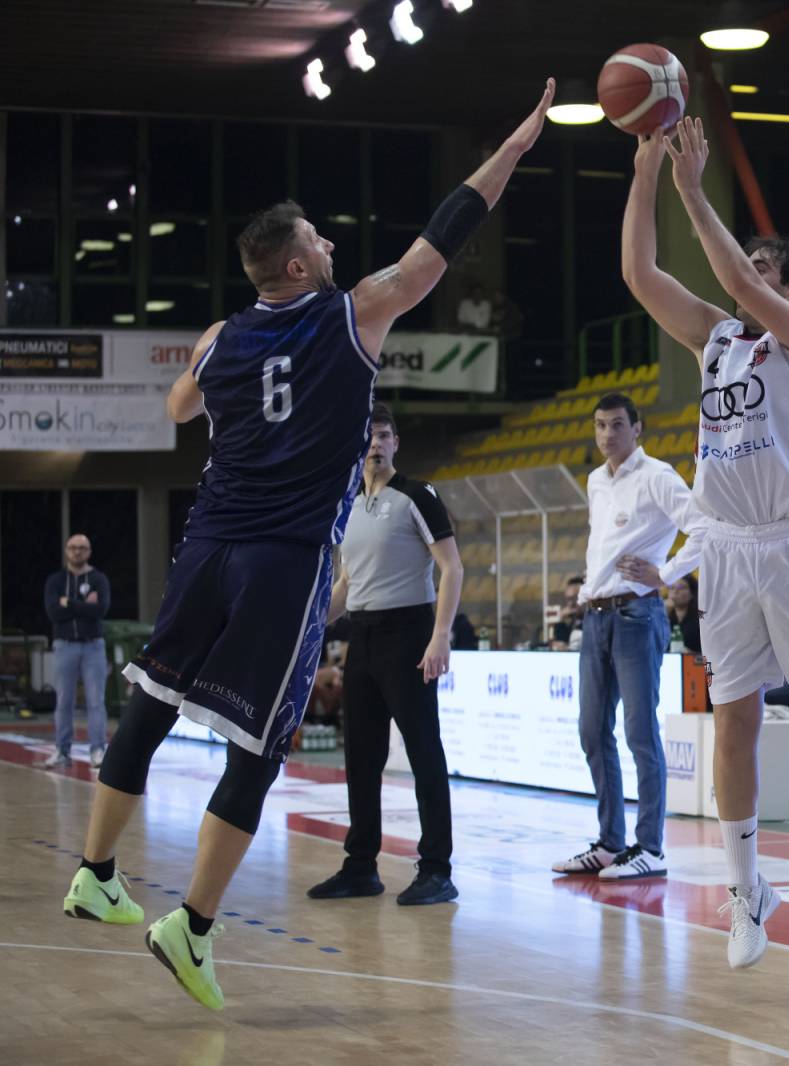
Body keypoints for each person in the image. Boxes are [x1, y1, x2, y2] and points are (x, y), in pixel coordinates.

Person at [59, 80, 559, 1012]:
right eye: (319, 241)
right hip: (282, 560)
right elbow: (444, 236)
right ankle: (192, 926)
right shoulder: (354, 312)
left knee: (154, 701)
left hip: (206, 544)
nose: (332, 246)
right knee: (260, 742)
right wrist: (518, 146)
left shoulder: (222, 337)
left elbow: (179, 407)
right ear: (295, 266)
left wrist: (222, 373)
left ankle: (95, 871)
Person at [621, 118, 789, 971]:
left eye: (764, 268)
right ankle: (746, 894)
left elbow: (728, 273)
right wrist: (646, 172)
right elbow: (640, 273)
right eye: (749, 265)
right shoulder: (717, 340)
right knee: (733, 722)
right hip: (728, 550)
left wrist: (694, 189)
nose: (743, 275)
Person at [306, 401, 464, 907]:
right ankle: (360, 866)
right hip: (363, 637)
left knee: (423, 753)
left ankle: (436, 869)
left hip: (409, 634)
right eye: (368, 437)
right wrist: (310, 628)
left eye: (384, 436)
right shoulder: (347, 506)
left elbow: (452, 568)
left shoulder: (417, 496)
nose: (375, 444)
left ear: (396, 443)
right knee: (361, 756)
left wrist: (440, 635)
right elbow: (345, 583)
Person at [551, 392, 705, 882]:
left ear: (637, 428)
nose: (607, 434)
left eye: (617, 424)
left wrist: (666, 575)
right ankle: (609, 842)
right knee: (591, 731)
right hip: (595, 616)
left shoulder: (657, 475)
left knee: (640, 733)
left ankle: (651, 847)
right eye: (600, 425)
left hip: (637, 615)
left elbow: (703, 527)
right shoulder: (596, 480)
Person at [42, 533, 112, 769]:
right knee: (64, 700)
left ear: (89, 552)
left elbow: (100, 610)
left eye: (82, 548)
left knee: (96, 700)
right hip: (64, 646)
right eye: (73, 547)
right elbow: (54, 613)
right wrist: (84, 606)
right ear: (66, 551)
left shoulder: (99, 579)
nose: (77, 551)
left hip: (93, 646)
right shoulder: (55, 581)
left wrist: (69, 603)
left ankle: (98, 750)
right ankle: (62, 750)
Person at [666, 575, 702, 655]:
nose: (675, 591)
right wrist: (664, 613)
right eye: (671, 587)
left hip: (694, 661)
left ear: (692, 593)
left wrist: (691, 654)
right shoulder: (665, 616)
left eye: (681, 587)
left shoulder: (700, 619)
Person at [548, 575, 585, 649]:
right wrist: (560, 620)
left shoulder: (593, 620)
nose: (570, 604)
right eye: (568, 599)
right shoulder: (572, 621)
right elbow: (561, 642)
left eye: (573, 598)